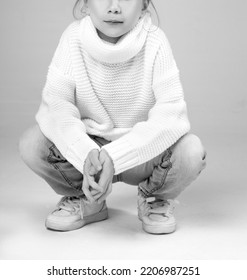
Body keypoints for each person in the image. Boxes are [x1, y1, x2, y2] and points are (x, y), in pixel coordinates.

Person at [19, 0, 206, 234]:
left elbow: (171, 114)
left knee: (191, 151)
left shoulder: (155, 40)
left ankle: (153, 198)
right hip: (89, 158)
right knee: (33, 143)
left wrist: (115, 155)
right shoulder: (73, 37)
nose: (114, 7)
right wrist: (85, 153)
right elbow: (57, 106)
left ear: (144, 6)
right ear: (86, 5)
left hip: (142, 153)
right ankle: (86, 199)